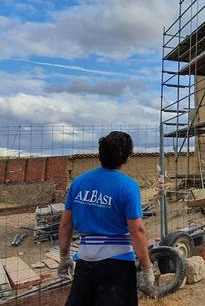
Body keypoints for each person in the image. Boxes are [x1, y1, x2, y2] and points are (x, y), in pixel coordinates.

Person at [58, 131, 156, 306]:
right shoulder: (128, 186)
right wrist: (147, 267)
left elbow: (66, 225)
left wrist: (64, 257)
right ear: (127, 158)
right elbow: (137, 230)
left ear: (100, 154)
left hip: (85, 264)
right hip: (118, 267)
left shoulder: (78, 183)